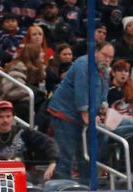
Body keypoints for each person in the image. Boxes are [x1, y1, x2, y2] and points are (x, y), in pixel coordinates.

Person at [47, 42, 114, 183]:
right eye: (105, 55)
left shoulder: (105, 70)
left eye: (110, 57)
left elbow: (103, 92)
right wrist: (86, 115)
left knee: (86, 153)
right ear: (96, 52)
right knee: (65, 152)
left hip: (83, 116)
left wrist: (102, 108)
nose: (107, 59)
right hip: (65, 112)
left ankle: (86, 184)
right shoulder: (83, 64)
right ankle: (61, 186)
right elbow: (81, 91)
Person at [0, 100, 59, 183]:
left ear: (13, 117)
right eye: (1, 117)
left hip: (22, 176)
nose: (5, 120)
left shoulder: (23, 132)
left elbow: (49, 142)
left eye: (8, 116)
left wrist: (53, 162)